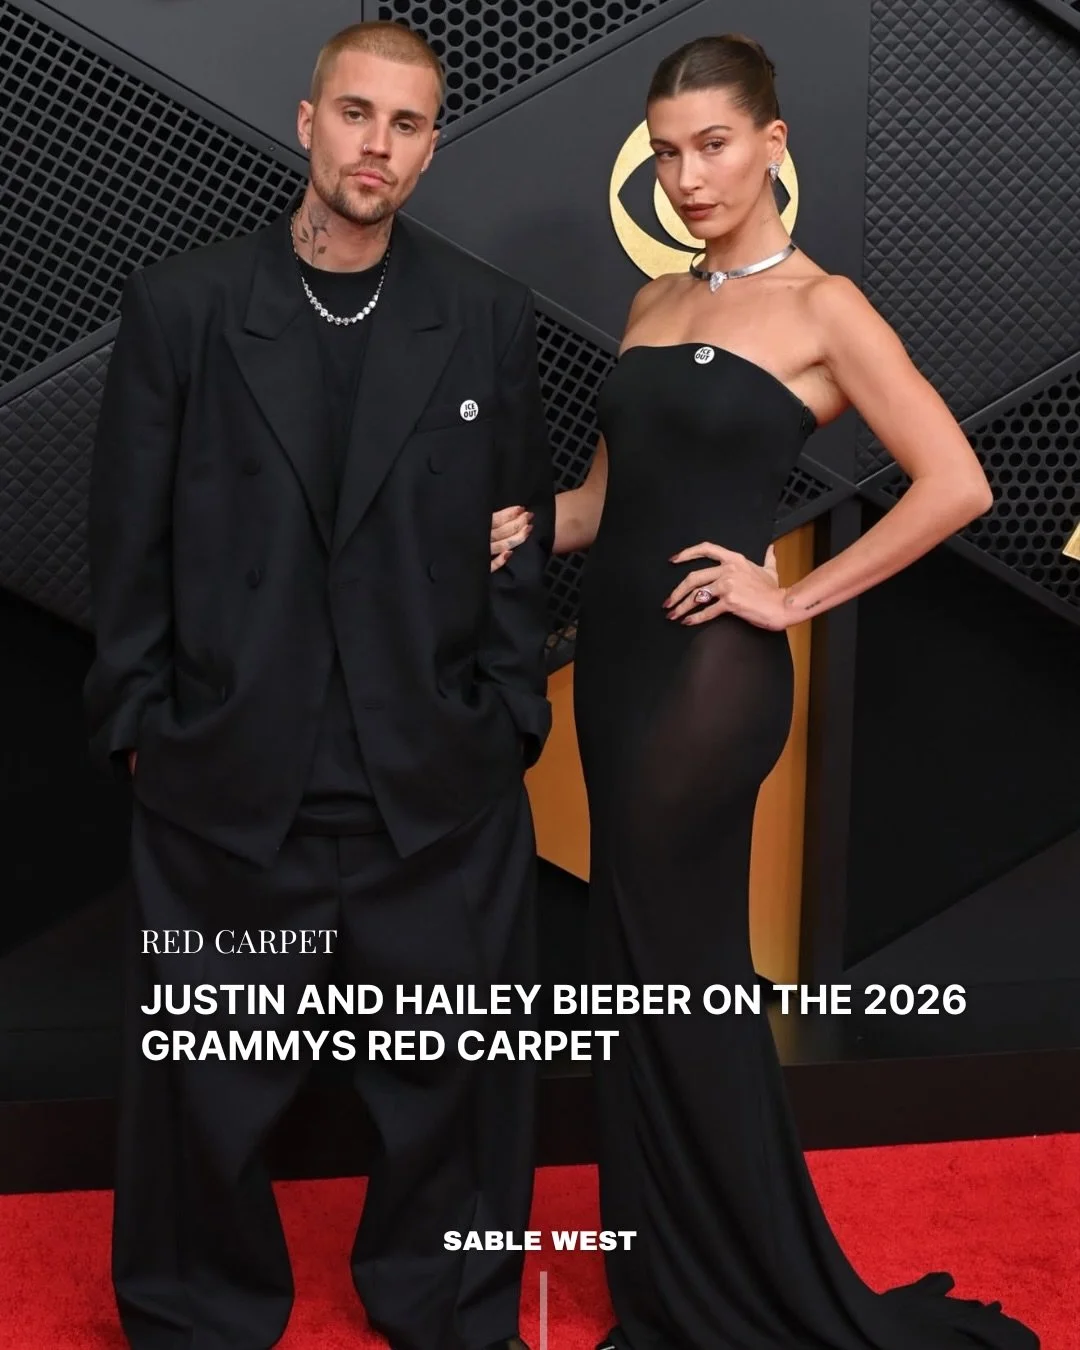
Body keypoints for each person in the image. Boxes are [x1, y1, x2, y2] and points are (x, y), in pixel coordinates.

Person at [490, 32, 1039, 1350]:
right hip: (618, 669)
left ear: (773, 144)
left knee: (673, 973)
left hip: (709, 678)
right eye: (667, 153)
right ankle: (677, 1289)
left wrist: (790, 595)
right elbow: (606, 506)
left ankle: (737, 1296)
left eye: (714, 145)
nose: (688, 177)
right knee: (638, 974)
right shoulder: (653, 304)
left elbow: (957, 483)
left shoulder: (824, 307)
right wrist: (520, 522)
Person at [85, 21, 552, 1350]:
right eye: (356, 114)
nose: (376, 147)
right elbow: (127, 538)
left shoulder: (484, 315)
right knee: (204, 1088)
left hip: (432, 784)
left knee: (454, 1084)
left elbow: (516, 530)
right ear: (306, 121)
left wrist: (506, 714)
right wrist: (144, 725)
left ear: (432, 147)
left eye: (406, 125)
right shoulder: (184, 306)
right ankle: (198, 1312)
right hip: (229, 782)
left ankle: (446, 1303)